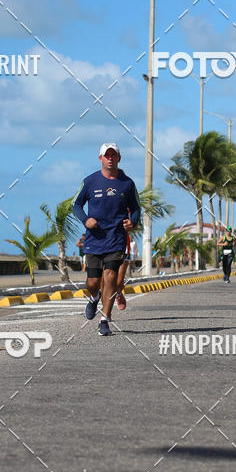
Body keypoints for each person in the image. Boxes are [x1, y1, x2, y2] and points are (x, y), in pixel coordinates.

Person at [72, 143, 140, 336]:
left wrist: (132, 222)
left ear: (119, 158)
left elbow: (136, 208)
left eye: (114, 155)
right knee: (92, 282)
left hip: (116, 238)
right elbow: (75, 205)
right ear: (100, 158)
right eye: (106, 155)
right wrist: (86, 220)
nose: (110, 158)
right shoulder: (89, 182)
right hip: (94, 239)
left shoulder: (127, 183)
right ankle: (94, 298)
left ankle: (104, 319)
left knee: (110, 277)